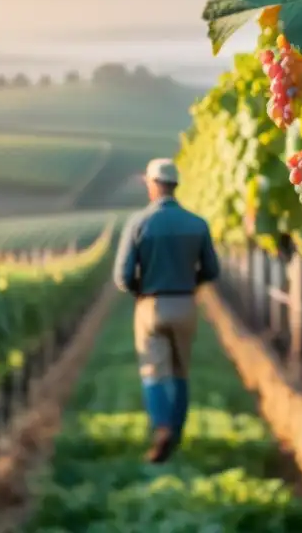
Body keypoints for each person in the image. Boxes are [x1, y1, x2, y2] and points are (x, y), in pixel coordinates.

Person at [112, 157, 221, 463]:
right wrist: (191, 282)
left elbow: (122, 277)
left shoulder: (138, 223)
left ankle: (161, 429)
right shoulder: (197, 224)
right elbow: (212, 270)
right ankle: (177, 430)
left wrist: (141, 291)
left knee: (154, 371)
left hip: (151, 303)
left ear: (153, 185)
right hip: (185, 302)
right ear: (175, 185)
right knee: (180, 371)